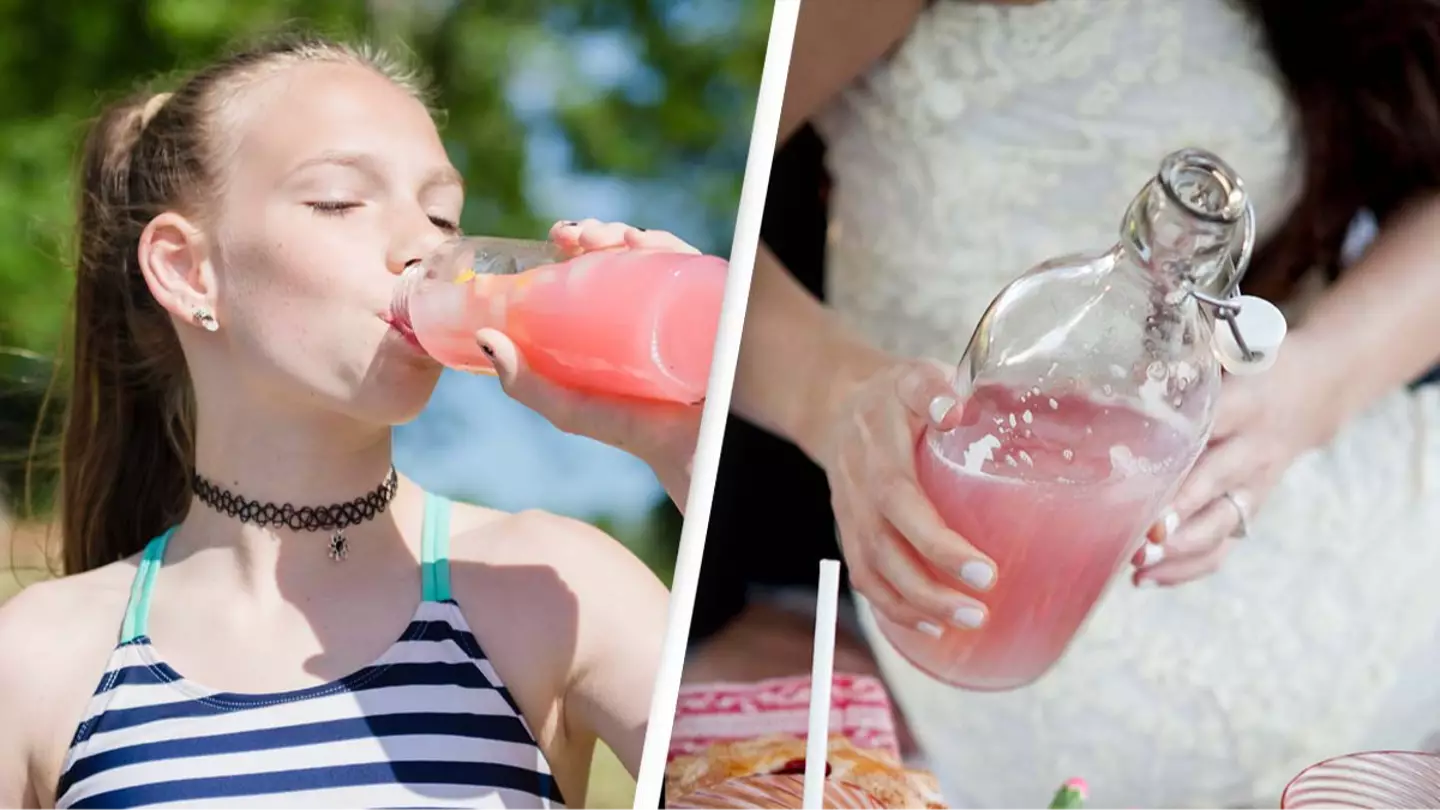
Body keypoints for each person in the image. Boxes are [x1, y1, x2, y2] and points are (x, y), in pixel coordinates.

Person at [522, 1, 1440, 808]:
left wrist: (1314, 387)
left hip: (1343, 520)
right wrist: (835, 399)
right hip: (982, 595)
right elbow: (723, 248)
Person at [0, 33, 704, 810]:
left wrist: (686, 440)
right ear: (186, 269)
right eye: (339, 200)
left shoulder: (552, 586)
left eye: (442, 214)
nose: (424, 246)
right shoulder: (41, 659)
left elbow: (818, 778)